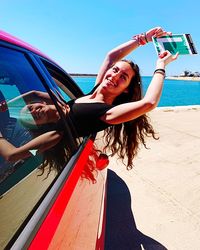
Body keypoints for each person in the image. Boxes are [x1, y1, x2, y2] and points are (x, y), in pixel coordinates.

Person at [0, 27, 178, 171]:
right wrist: (154, 57)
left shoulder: (99, 106)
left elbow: (147, 101)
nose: (115, 76)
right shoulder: (90, 101)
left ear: (125, 90)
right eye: (115, 70)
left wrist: (157, 60)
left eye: (122, 76)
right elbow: (14, 155)